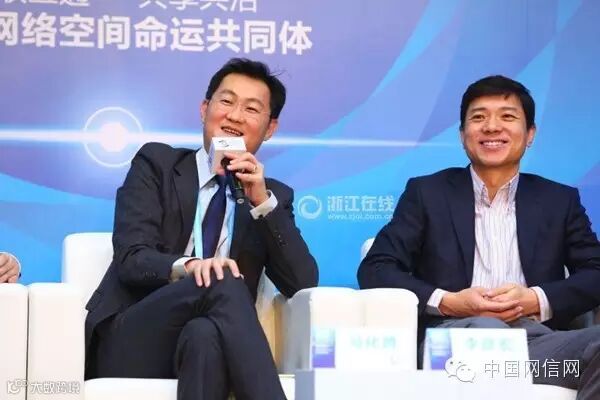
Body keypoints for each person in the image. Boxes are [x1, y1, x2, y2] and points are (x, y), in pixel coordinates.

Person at [86, 58, 319, 400]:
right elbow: (132, 259)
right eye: (226, 101)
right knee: (222, 277)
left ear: (270, 128)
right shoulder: (157, 165)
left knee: (204, 334)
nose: (235, 116)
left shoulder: (272, 198)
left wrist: (261, 204)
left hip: (207, 342)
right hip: (133, 338)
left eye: (251, 109)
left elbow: (302, 283)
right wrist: (193, 266)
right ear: (204, 109)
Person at [358, 75, 600, 398]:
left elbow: (595, 272)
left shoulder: (558, 200)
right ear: (462, 135)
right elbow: (376, 268)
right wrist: (449, 302)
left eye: (507, 116)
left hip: (539, 349)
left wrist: (535, 299)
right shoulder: (427, 193)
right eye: (479, 117)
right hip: (453, 346)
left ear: (530, 134)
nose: (492, 127)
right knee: (487, 332)